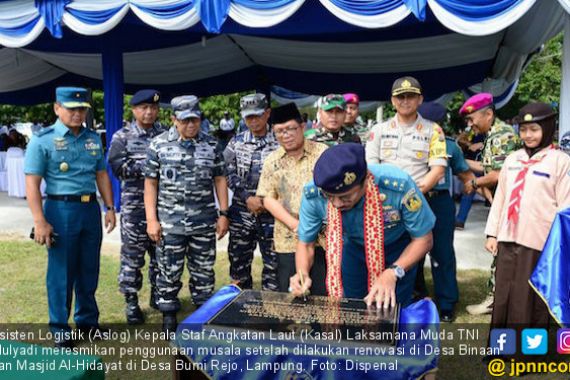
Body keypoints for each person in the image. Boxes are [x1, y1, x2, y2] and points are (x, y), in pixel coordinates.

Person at [24, 87, 116, 348]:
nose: (77, 114)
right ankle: (60, 329)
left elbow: (101, 175)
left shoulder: (92, 139)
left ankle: (88, 322)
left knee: (89, 268)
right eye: (71, 108)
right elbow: (32, 184)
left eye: (82, 109)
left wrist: (109, 207)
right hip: (60, 210)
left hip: (89, 211)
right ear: (57, 108)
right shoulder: (42, 141)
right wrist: (40, 221)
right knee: (61, 272)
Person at [291, 143, 435, 308]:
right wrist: (301, 273)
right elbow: (306, 243)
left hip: (397, 249)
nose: (337, 204)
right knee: (354, 305)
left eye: (345, 197)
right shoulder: (313, 195)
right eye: (329, 196)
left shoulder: (398, 186)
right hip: (353, 249)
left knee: (393, 307)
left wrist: (394, 272)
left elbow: (424, 239)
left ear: (366, 178)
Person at [144, 95, 229, 333]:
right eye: (185, 120)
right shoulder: (158, 145)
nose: (191, 125)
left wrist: (224, 213)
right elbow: (150, 184)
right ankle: (169, 316)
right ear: (173, 119)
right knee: (168, 271)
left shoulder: (211, 145)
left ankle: (203, 318)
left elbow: (220, 179)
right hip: (170, 223)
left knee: (203, 271)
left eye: (195, 119)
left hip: (203, 223)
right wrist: (152, 219)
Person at [485, 103, 570, 333]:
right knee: (504, 293)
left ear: (547, 127)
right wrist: (492, 233)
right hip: (508, 237)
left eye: (534, 129)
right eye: (523, 130)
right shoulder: (512, 160)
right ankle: (501, 347)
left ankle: (526, 353)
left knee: (529, 298)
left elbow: (565, 207)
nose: (528, 135)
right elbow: (500, 198)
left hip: (540, 240)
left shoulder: (560, 161)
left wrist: (559, 245)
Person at [458, 93, 522, 316]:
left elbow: (499, 174)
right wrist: (459, 160)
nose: (470, 124)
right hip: (501, 205)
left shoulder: (501, 135)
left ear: (488, 113)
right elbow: (486, 167)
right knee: (501, 251)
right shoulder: (492, 135)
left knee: (502, 252)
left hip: (511, 206)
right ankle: (501, 297)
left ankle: (496, 299)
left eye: (472, 118)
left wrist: (473, 183)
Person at [108, 89, 166, 325]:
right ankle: (131, 302)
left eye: (153, 108)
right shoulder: (122, 137)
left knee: (161, 255)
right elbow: (119, 168)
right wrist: (151, 167)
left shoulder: (166, 134)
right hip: (135, 209)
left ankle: (157, 294)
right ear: (133, 110)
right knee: (132, 257)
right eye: (144, 108)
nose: (149, 112)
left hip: (163, 205)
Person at [256, 103, 328, 294]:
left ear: (302, 127)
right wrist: (296, 225)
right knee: (293, 293)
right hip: (288, 238)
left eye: (290, 129)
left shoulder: (323, 153)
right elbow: (267, 198)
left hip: (323, 238)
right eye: (279, 131)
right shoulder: (272, 160)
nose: (285, 135)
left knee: (323, 293)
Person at [417, 102, 476, 322]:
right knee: (412, 251)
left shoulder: (450, 146)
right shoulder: (409, 143)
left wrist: (474, 185)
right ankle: (416, 296)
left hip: (441, 202)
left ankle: (447, 303)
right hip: (414, 202)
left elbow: (464, 174)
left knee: (442, 252)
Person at [224, 93, 280, 290]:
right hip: (242, 214)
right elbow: (227, 172)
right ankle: (240, 310)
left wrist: (266, 201)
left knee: (274, 267)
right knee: (239, 268)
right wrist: (247, 197)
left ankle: (271, 312)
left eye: (257, 116)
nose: (253, 121)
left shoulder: (280, 140)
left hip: (273, 215)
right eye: (249, 117)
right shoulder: (235, 143)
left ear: (267, 114)